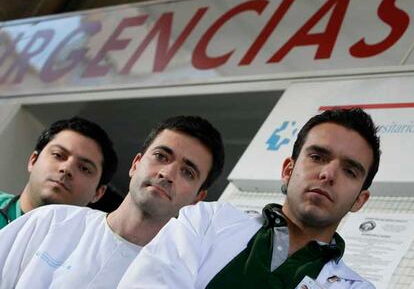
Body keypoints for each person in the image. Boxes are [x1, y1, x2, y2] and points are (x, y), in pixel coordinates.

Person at [118, 108, 380, 289]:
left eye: (350, 170)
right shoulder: (207, 222)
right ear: (288, 171)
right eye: (318, 157)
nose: (328, 174)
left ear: (360, 200)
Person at [0, 115, 225, 288]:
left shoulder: (180, 278)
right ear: (136, 164)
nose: (167, 173)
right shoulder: (48, 222)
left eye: (187, 172)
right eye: (161, 156)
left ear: (198, 199)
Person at [0, 116, 118, 229]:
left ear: (98, 193)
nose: (67, 168)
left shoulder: (89, 248)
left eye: (84, 168)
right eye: (58, 155)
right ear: (33, 160)